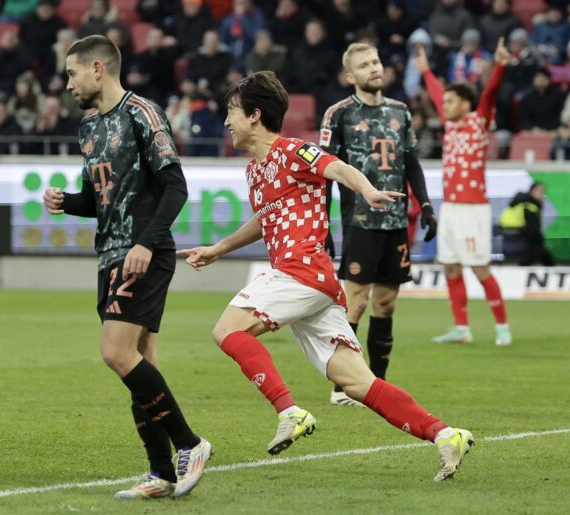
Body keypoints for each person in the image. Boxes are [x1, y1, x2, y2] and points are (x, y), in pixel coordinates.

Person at [177, 71, 474, 481]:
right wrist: (217, 249)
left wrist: (367, 190)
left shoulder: (296, 151)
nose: (226, 122)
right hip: (310, 284)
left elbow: (338, 168)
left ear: (254, 115)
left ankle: (289, 411)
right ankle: (445, 435)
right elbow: (263, 221)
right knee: (355, 382)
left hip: (302, 272)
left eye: (231, 112)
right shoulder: (255, 172)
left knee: (227, 330)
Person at [42, 35, 211, 499]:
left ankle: (190, 445)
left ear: (98, 68)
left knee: (116, 353)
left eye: (72, 73)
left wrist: (145, 242)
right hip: (110, 253)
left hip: (142, 255)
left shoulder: (143, 113)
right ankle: (161, 473)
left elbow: (175, 188)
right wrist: (67, 203)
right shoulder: (88, 127)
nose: (68, 84)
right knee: (141, 362)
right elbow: (102, 203)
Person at [319, 43, 437, 406]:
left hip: (396, 223)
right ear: (350, 76)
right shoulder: (338, 114)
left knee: (386, 305)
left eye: (376, 61)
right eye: (364, 64)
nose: (374, 68)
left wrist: (427, 205)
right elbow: (324, 173)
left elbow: (412, 163)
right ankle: (344, 384)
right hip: (360, 222)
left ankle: (378, 385)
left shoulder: (400, 112)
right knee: (355, 304)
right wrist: (323, 225)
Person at [415, 38, 512, 346]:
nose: (445, 106)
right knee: (451, 265)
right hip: (452, 208)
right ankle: (461, 328)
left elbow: (491, 94)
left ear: (466, 103)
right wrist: (427, 72)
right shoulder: (451, 125)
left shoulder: (479, 122)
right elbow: (434, 93)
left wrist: (499, 66)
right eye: (445, 103)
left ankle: (502, 327)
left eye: (451, 102)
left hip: (473, 209)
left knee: (480, 267)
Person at [499, 182, 554, 266]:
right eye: (539, 192)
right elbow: (534, 233)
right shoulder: (530, 207)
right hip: (523, 246)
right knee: (545, 258)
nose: (541, 195)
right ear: (532, 191)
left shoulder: (515, 205)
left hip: (506, 246)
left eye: (543, 193)